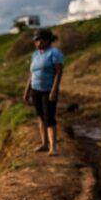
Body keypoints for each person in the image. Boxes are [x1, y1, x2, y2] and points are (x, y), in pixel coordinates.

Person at [22, 28, 64, 156]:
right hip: (36, 89)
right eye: (36, 40)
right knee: (40, 117)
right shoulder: (35, 55)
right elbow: (32, 74)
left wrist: (54, 90)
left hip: (48, 90)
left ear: (47, 40)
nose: (37, 43)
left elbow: (58, 72)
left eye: (39, 40)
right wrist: (27, 90)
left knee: (49, 118)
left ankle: (53, 147)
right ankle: (44, 144)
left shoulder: (54, 53)